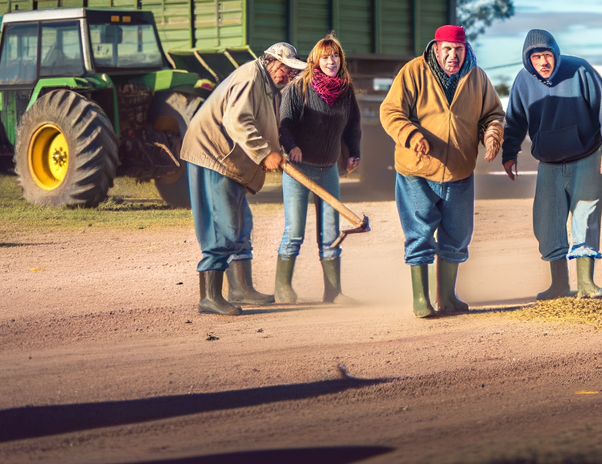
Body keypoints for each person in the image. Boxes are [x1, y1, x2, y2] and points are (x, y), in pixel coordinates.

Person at [381, 24, 505, 318]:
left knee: (458, 233)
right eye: (447, 49)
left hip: (459, 170)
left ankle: (447, 297)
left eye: (458, 50)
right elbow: (390, 112)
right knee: (419, 231)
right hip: (417, 169)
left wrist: (492, 136)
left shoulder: (478, 77)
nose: (453, 56)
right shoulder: (413, 72)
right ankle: (421, 299)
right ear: (436, 49)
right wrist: (412, 136)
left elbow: (493, 115)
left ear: (466, 50)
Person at [179, 41, 307, 315]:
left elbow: (266, 125)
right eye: (285, 69)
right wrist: (264, 154)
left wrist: (276, 150)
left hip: (231, 160)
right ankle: (209, 296)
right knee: (221, 223)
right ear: (270, 61)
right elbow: (237, 121)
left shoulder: (271, 87)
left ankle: (241, 288)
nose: (288, 75)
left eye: (292, 72)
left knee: (240, 223)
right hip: (213, 155)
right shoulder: (250, 77)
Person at [502, 29, 602, 300]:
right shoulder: (522, 81)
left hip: (587, 154)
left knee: (586, 216)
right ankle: (559, 285)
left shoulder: (580, 70)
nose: (543, 62)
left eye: (546, 55)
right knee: (547, 221)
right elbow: (516, 119)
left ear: (555, 54)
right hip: (549, 161)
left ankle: (587, 284)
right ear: (528, 60)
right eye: (536, 58)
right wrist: (509, 152)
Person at [275, 36, 362, 305]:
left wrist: (353, 153)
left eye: (335, 56)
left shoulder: (346, 91)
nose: (331, 61)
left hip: (327, 171)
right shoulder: (298, 88)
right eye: (325, 57)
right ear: (316, 61)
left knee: (331, 233)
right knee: (295, 231)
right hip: (299, 171)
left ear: (340, 60)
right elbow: (285, 124)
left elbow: (353, 126)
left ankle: (333, 293)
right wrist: (292, 147)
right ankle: (282, 289)